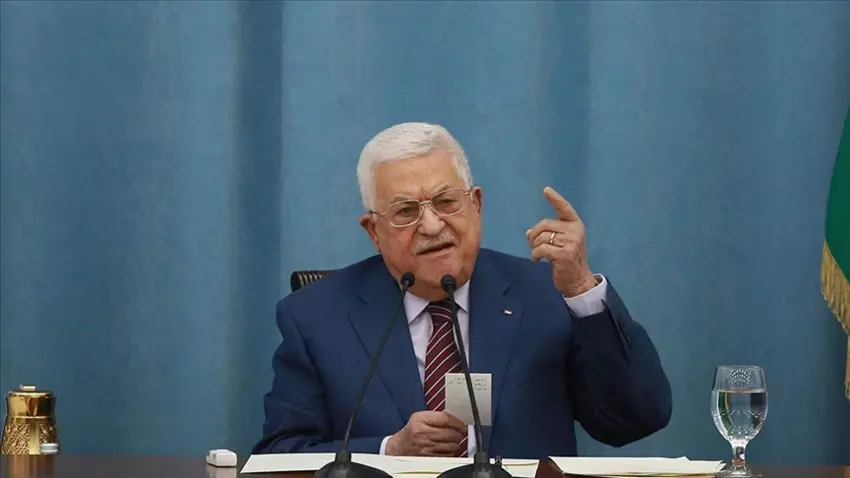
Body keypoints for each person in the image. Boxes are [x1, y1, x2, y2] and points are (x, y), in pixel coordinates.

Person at [253, 122, 672, 459]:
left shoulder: (547, 296)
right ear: (374, 232)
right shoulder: (316, 317)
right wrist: (388, 451)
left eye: (446, 202)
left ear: (476, 204)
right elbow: (279, 457)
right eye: (406, 211)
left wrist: (581, 288)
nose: (431, 225)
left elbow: (636, 419)